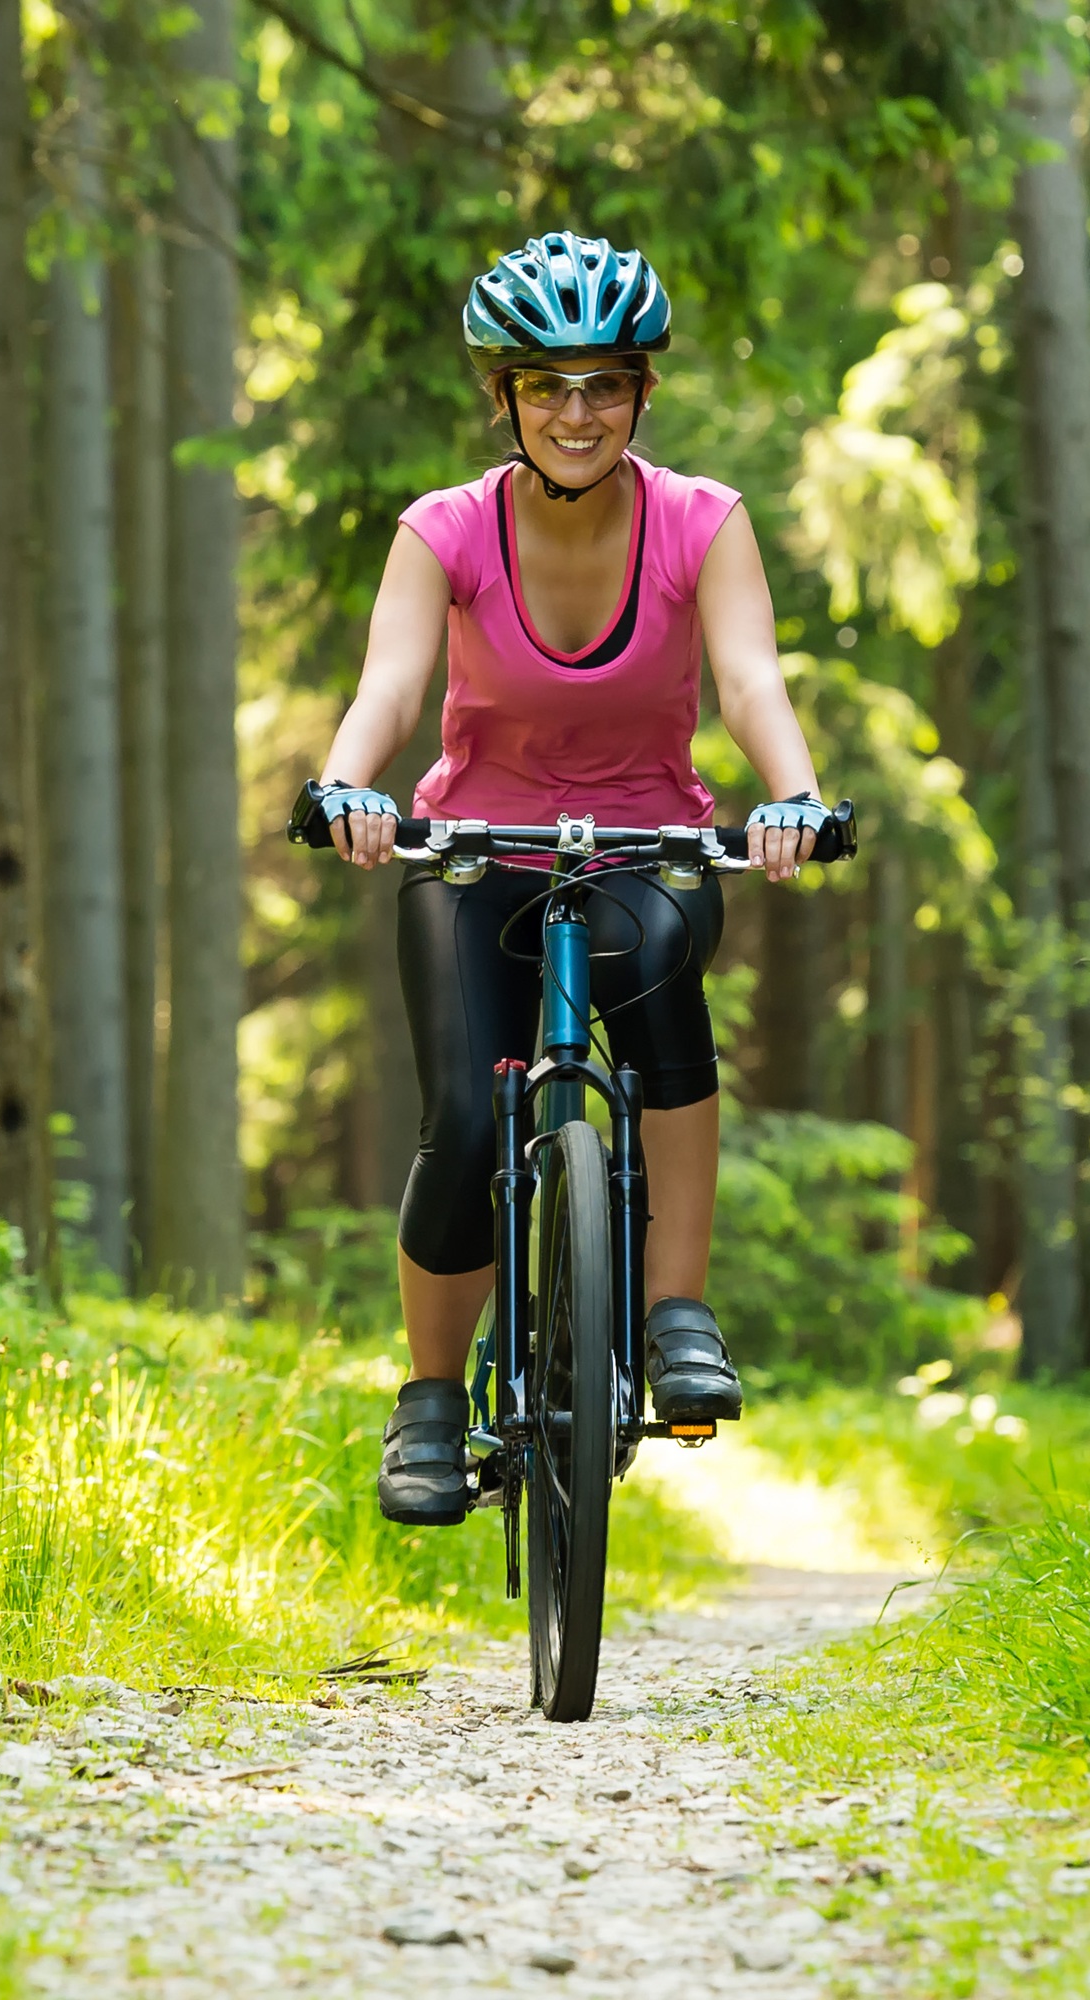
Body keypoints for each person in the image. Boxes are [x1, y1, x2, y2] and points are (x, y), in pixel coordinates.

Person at [308, 231, 829, 1527]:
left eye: (604, 383)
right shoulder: (444, 531)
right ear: (507, 398)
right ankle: (432, 1400)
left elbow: (752, 677)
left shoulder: (702, 523)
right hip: (473, 855)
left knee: (661, 1003)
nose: (577, 412)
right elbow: (390, 685)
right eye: (547, 385)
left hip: (649, 849)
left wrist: (794, 795)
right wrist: (349, 785)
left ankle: (677, 1313)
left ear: (643, 391)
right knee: (467, 1118)